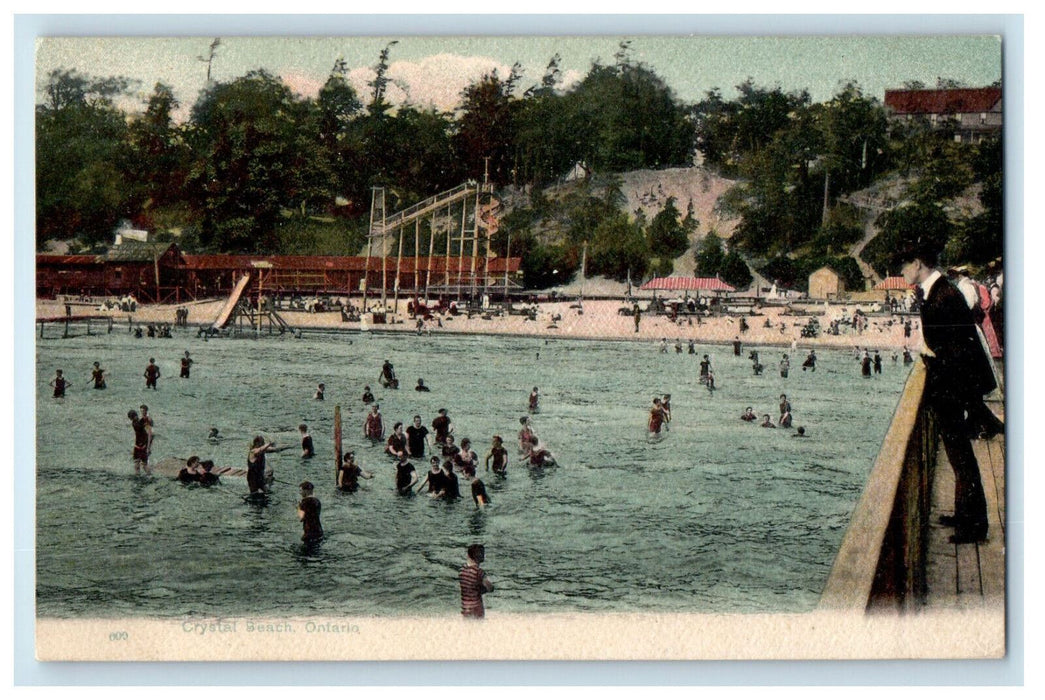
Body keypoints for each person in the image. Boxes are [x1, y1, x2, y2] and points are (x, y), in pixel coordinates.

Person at [896, 237, 1000, 543]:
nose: (901, 272)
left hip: (953, 388)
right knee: (959, 456)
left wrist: (963, 399)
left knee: (962, 457)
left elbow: (955, 353)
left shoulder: (942, 296)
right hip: (955, 386)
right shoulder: (939, 292)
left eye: (904, 265)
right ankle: (965, 515)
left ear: (917, 264)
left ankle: (975, 526)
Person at [460, 544, 494, 619]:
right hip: (477, 609)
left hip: (465, 608)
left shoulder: (462, 570)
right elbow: (490, 588)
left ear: (468, 556)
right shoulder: (479, 572)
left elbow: (470, 587)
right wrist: (484, 589)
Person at [127, 409, 151, 474]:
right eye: (134, 416)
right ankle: (148, 474)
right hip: (141, 445)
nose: (136, 417)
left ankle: (139, 474)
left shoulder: (136, 423)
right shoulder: (135, 424)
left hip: (139, 446)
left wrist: (145, 418)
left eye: (135, 416)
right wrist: (145, 418)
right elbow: (140, 424)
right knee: (142, 464)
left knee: (139, 463)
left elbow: (141, 423)